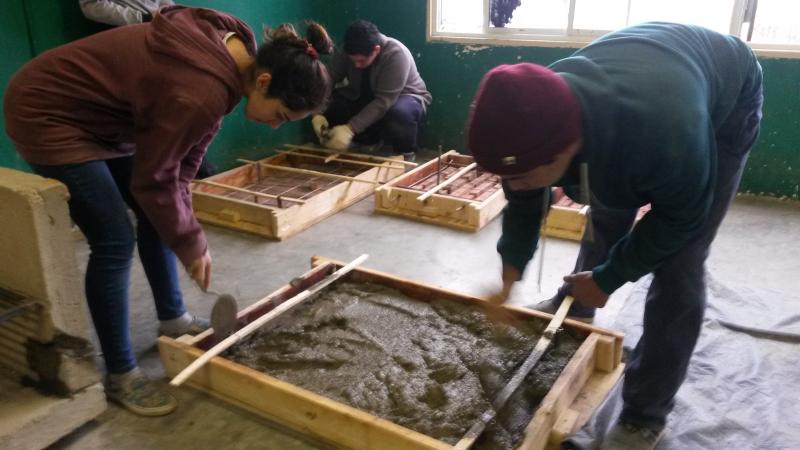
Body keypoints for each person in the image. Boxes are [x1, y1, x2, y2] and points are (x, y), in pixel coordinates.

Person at [4, 6, 332, 416]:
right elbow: (154, 180)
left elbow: (183, 162)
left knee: (157, 214)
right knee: (114, 238)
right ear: (264, 81)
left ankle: (173, 318)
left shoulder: (237, 55)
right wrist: (191, 242)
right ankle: (122, 375)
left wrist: (186, 226)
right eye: (280, 116)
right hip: (50, 112)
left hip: (107, 118)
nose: (274, 127)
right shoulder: (199, 89)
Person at [466, 22, 762, 449]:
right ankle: (577, 305)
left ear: (565, 145)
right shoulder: (536, 111)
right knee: (606, 204)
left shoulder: (665, 133)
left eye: (526, 173)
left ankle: (646, 413)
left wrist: (611, 277)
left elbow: (681, 219)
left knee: (680, 264)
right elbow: (525, 191)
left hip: (725, 98)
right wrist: (510, 268)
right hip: (645, 76)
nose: (517, 183)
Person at [311, 20, 432, 161]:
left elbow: (383, 101)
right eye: (353, 60)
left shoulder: (397, 54)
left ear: (376, 50)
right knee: (335, 103)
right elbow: (329, 79)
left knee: (399, 112)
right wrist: (316, 113)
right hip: (364, 95)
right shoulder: (346, 50)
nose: (356, 65)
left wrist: (349, 129)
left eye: (361, 61)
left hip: (404, 98)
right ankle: (365, 141)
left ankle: (405, 154)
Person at [79, 0, 174, 26]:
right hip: (132, 31)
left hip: (162, 24)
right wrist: (143, 18)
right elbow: (91, 6)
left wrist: (172, 11)